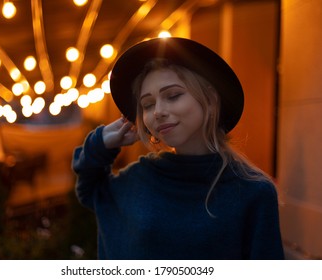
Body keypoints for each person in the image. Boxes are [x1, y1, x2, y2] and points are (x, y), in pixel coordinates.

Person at [72, 37, 284, 260]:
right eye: (148, 104)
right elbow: (90, 190)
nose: (158, 111)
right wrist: (100, 143)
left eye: (173, 96)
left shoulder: (253, 191)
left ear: (210, 100)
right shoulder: (140, 178)